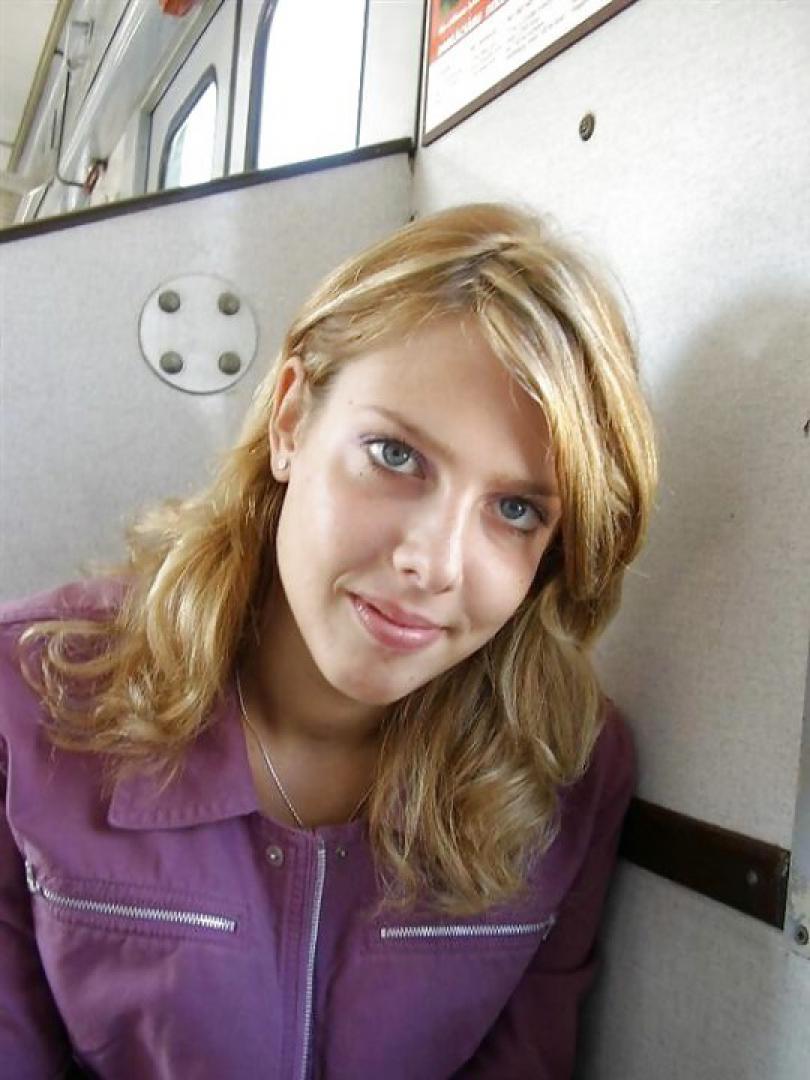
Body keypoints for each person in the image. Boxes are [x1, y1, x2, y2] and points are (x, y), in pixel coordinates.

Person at [0, 203, 657, 1079]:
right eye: (395, 455)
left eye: (515, 509)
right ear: (290, 421)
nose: (433, 563)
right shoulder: (27, 695)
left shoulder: (568, 768)